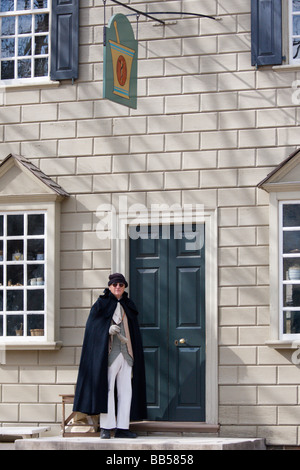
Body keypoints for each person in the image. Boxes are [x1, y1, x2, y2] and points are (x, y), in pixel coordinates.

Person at [73, 273, 147, 439]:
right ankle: (106, 427)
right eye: (115, 285)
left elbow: (134, 331)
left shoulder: (129, 305)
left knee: (126, 390)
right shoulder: (101, 304)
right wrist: (106, 330)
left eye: (120, 285)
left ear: (124, 287)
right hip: (109, 355)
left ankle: (122, 427)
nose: (118, 287)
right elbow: (92, 328)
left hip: (127, 354)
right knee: (107, 390)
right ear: (109, 286)